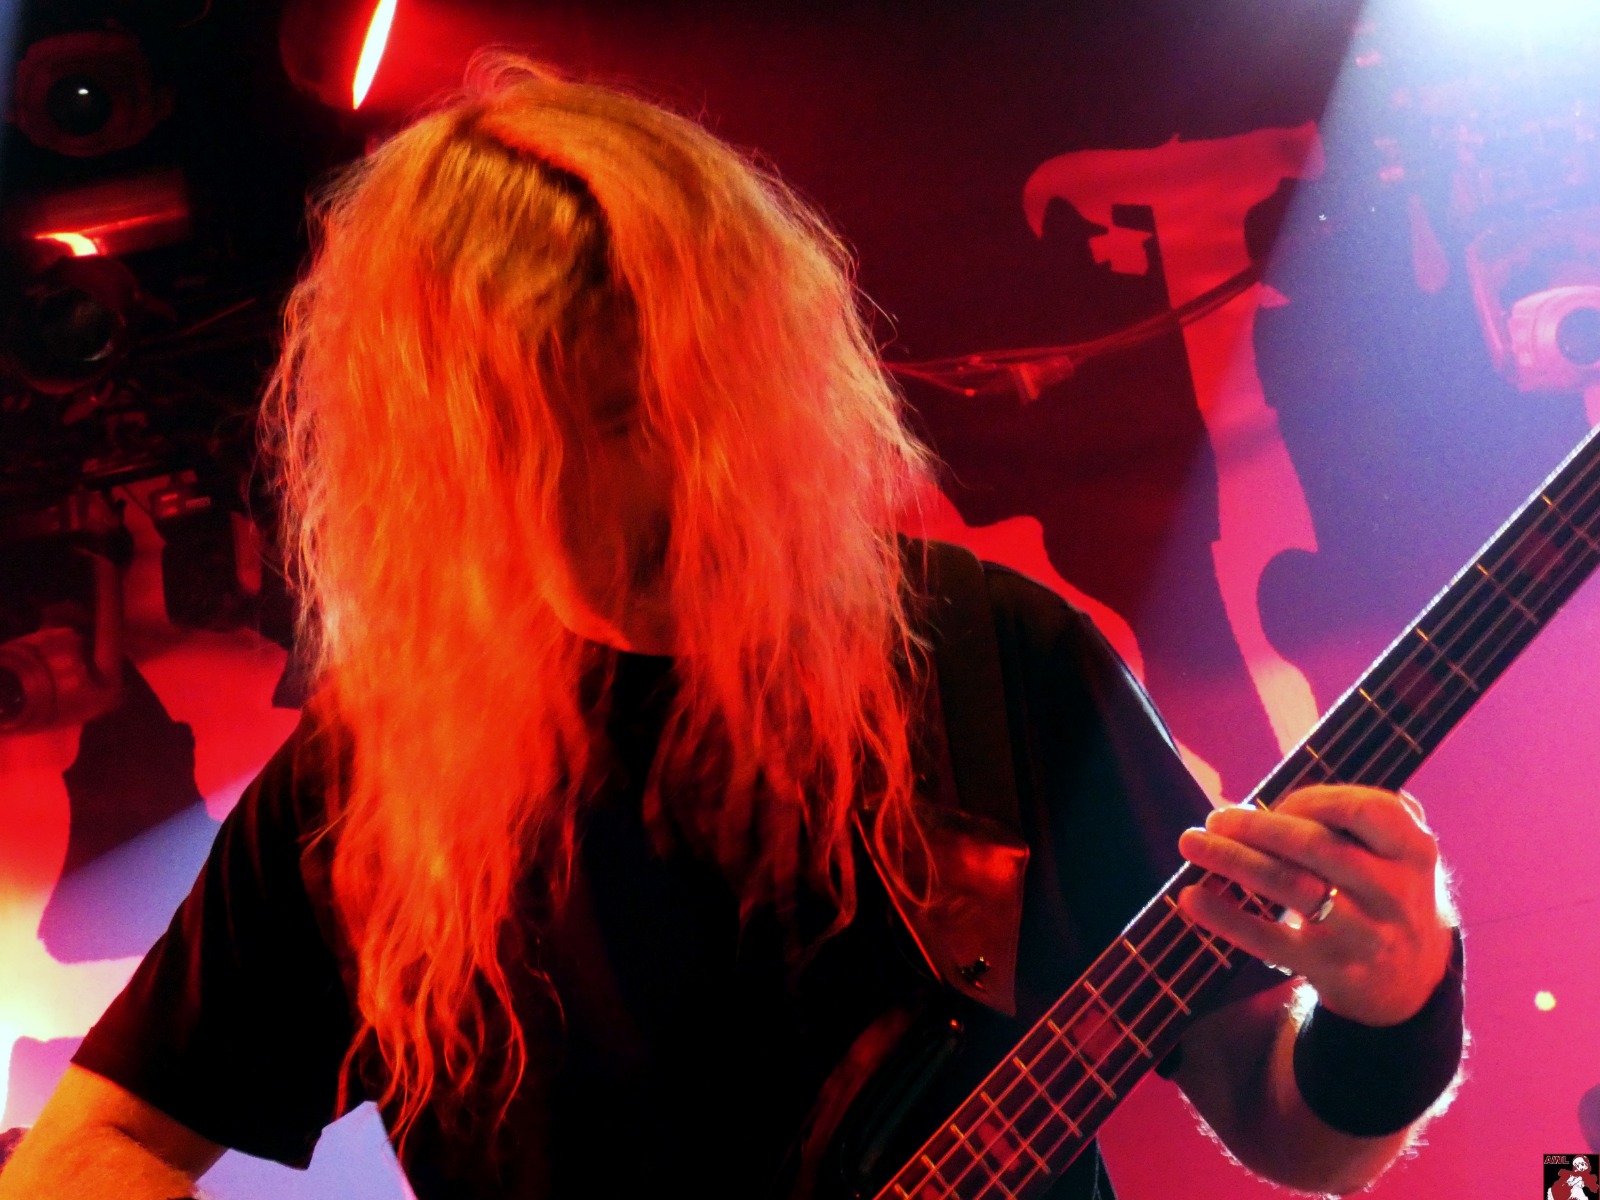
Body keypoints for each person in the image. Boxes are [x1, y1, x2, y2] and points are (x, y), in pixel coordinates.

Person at [0, 57, 1463, 1200]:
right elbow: (99, 1146)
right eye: (610, 414)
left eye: (714, 385)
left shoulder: (988, 658)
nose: (694, 461)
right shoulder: (377, 780)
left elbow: (1286, 1129)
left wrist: (1392, 1009)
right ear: (456, 454)